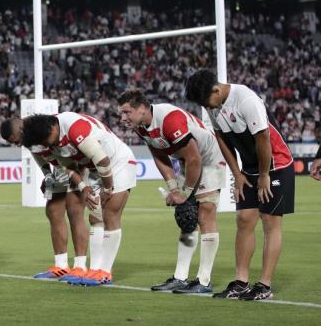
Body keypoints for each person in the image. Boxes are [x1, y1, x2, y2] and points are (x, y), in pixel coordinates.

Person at [185, 69, 294, 301]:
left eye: (206, 102)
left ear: (216, 90)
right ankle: (241, 282)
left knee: (270, 221)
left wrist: (264, 175)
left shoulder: (246, 100)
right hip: (250, 168)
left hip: (276, 164)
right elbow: (222, 139)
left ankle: (264, 285)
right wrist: (237, 174)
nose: (207, 108)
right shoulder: (213, 104)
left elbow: (263, 138)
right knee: (244, 219)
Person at [117, 89, 224, 294]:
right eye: (121, 113)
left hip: (209, 158)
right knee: (187, 217)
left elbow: (195, 158)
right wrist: (173, 188)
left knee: (205, 214)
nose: (123, 118)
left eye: (126, 112)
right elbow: (159, 154)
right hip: (188, 160)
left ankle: (203, 281)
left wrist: (184, 193)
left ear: (142, 108)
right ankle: (180, 278)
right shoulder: (140, 126)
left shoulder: (170, 119)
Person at [21, 112, 137, 286]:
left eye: (46, 141)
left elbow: (102, 160)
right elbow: (68, 167)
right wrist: (84, 187)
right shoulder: (52, 141)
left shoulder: (74, 127)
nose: (46, 146)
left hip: (117, 163)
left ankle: (105, 272)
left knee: (110, 214)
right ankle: (94, 270)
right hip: (97, 170)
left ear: (52, 128)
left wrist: (107, 189)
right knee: (95, 218)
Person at [0, 118, 95, 282]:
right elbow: (37, 154)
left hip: (76, 164)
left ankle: (80, 266)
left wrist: (79, 175)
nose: (18, 144)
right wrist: (48, 175)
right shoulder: (29, 139)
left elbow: (74, 147)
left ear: (21, 130)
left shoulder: (44, 127)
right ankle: (61, 265)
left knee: (75, 210)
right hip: (60, 167)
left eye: (17, 140)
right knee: (53, 210)